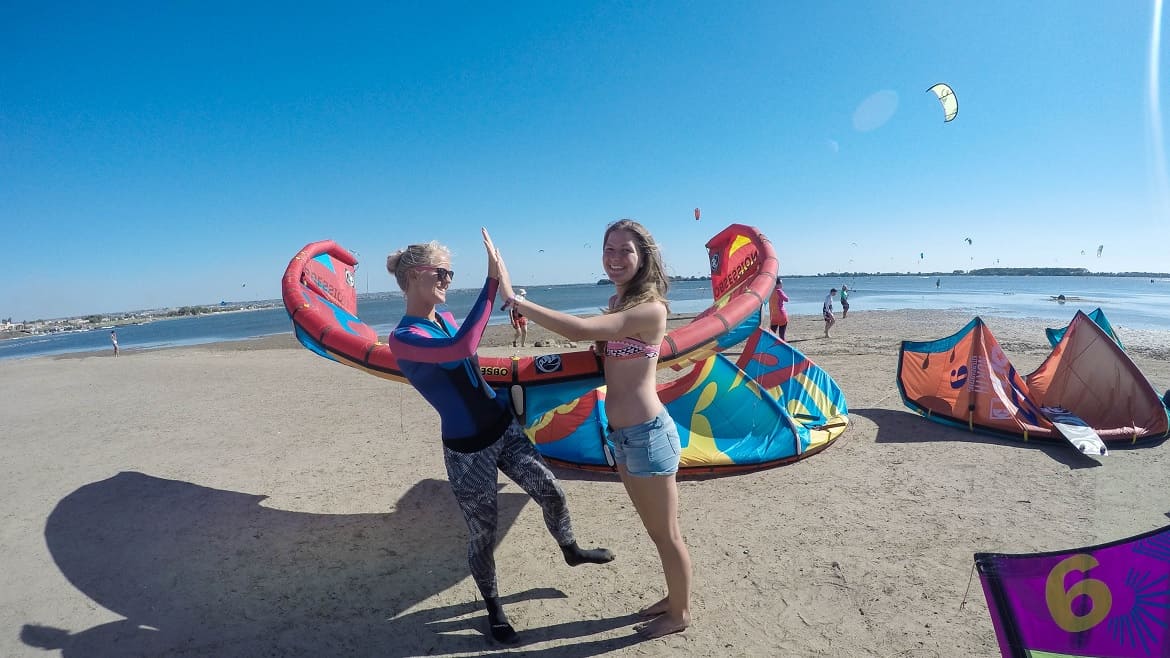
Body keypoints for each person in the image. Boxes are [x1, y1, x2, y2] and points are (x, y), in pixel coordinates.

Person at [384, 229, 614, 645]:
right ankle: (493, 609)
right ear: (416, 275)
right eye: (442, 273)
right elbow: (459, 350)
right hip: (467, 450)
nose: (448, 280)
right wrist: (490, 282)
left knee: (552, 491)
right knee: (483, 534)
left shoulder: (444, 319)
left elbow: (469, 361)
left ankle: (570, 548)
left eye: (450, 274)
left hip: (503, 427)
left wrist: (512, 399)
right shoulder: (404, 338)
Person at [495, 219, 692, 639]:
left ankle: (680, 613)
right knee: (656, 531)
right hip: (622, 435)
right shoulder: (618, 302)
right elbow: (606, 352)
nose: (615, 258)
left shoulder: (651, 308)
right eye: (609, 249)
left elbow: (580, 330)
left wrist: (517, 301)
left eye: (625, 250)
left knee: (667, 534)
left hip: (647, 435)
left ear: (643, 257)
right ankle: (674, 598)